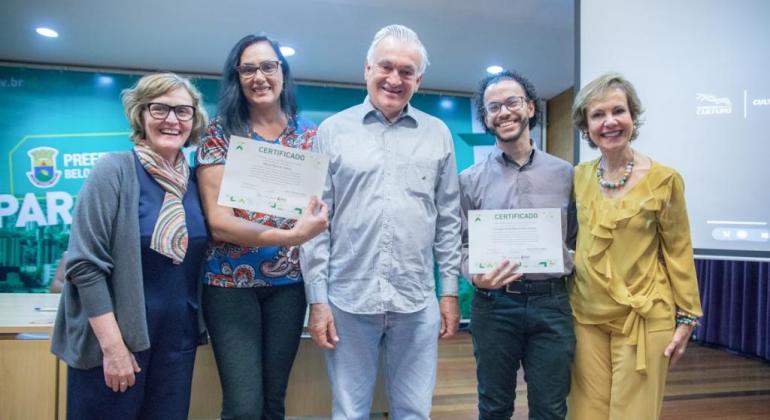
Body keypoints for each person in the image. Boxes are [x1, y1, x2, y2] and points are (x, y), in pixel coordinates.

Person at [300, 24, 462, 419]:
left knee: (413, 411)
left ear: (419, 80)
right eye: (385, 67)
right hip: (347, 300)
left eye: (406, 71)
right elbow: (314, 224)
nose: (394, 79)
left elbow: (448, 220)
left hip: (416, 300)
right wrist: (317, 300)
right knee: (350, 412)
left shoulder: (438, 134)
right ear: (366, 69)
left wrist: (450, 291)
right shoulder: (331, 132)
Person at [51, 72, 210, 419]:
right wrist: (113, 349)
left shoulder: (197, 182)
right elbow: (84, 266)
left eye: (183, 111)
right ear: (140, 114)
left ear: (194, 119)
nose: (172, 120)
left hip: (176, 344)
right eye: (160, 109)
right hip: (116, 343)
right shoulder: (113, 171)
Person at [196, 34, 329, 420]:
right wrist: (291, 237)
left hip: (288, 287)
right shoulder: (220, 132)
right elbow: (220, 224)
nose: (259, 76)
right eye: (248, 68)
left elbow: (319, 207)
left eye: (268, 66)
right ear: (236, 77)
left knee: (274, 402)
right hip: (228, 285)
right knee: (243, 406)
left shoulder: (309, 135)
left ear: (282, 73)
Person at [567, 72, 703, 420]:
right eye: (598, 115)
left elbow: (678, 252)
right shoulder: (579, 176)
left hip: (643, 317)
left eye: (618, 111)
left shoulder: (664, 180)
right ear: (586, 125)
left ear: (632, 117)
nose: (609, 122)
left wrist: (687, 318)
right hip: (585, 315)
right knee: (584, 414)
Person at [459, 70, 577, 419]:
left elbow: (575, 237)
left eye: (512, 102)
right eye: (493, 107)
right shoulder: (469, 180)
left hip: (551, 303)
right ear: (485, 118)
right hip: (494, 305)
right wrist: (474, 275)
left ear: (529, 107)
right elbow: (460, 243)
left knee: (550, 408)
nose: (504, 112)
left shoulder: (566, 174)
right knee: (494, 407)